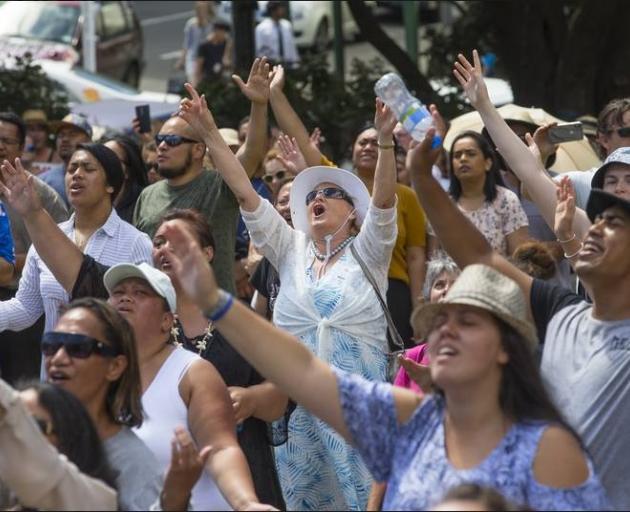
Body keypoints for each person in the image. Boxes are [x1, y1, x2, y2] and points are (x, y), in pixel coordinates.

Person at [154, 219, 611, 511]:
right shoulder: (408, 422)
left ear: (507, 348)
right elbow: (305, 372)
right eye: (440, 320)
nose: (446, 330)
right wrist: (214, 301)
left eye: (468, 321)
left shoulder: (548, 449)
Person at [409, 49, 630, 509]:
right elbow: (478, 256)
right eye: (606, 198)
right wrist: (427, 182)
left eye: (619, 220)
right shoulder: (564, 315)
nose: (600, 224)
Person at [178, 83, 398, 510]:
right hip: (297, 419)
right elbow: (244, 191)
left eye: (330, 193)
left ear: (353, 212)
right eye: (312, 194)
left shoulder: (369, 251)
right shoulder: (288, 248)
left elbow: (385, 203)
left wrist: (386, 142)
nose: (317, 197)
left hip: (361, 412)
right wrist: (207, 133)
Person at [267, 64, 427, 346]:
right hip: (338, 290)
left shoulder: (407, 196)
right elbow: (302, 141)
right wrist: (275, 95)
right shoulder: (335, 186)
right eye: (361, 143)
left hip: (394, 292)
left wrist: (418, 309)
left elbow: (415, 258)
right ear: (351, 151)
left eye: (375, 142)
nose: (367, 147)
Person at [102, 263, 268, 511]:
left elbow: (221, 449)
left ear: (167, 320)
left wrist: (246, 503)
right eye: (118, 292)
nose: (126, 297)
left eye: (141, 293)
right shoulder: (95, 374)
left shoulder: (193, 373)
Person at [47, 298, 214, 511]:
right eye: (51, 345)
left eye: (78, 348)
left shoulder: (133, 465)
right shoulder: (29, 432)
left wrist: (173, 501)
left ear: (115, 366)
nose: (58, 358)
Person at [134, 58, 272, 295]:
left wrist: (259, 105)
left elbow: (251, 153)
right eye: (160, 140)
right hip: (160, 316)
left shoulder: (219, 187)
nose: (163, 146)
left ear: (199, 150)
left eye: (173, 140)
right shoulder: (147, 195)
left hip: (213, 321)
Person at [0, 146, 152, 339]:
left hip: (109, 364)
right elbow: (25, 308)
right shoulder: (47, 239)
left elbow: (142, 317)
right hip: (55, 364)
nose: (77, 175)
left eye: (88, 169)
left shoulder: (136, 242)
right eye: (72, 169)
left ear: (111, 185)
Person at [367, 258, 460, 511]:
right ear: (428, 297)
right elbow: (390, 437)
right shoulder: (412, 358)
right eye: (440, 284)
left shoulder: (479, 358)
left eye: (455, 283)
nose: (446, 290)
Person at [0, 112, 68, 384]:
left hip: (24, 307)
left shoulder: (42, 195)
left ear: (21, 146)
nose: (0, 146)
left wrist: (15, 263)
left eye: (6, 140)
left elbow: (65, 246)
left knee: (21, 390)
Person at [0, 377, 117, 510]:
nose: (15, 435)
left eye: (35, 425)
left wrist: (8, 405)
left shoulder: (97, 501)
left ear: (69, 439)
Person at [428, 130, 529, 260]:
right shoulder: (442, 205)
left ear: (488, 163)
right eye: (457, 155)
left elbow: (519, 257)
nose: (463, 159)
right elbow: (433, 258)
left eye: (471, 154)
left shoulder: (506, 200)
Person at [43, 113, 93, 204]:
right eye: (61, 135)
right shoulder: (43, 181)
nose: (65, 139)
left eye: (72, 134)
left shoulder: (99, 179)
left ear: (89, 141)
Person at [103, 135, 149, 223]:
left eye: (111, 158)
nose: (103, 163)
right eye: (99, 159)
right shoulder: (84, 202)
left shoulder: (144, 206)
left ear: (128, 171)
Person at [178, 0, 215, 83]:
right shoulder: (191, 24)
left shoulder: (212, 25)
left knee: (204, 83)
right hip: (192, 57)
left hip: (207, 59)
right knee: (193, 82)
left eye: (204, 9)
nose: (202, 12)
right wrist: (182, 60)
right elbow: (187, 43)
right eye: (200, 9)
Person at [255, 1, 299, 67]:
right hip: (271, 64)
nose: (283, 10)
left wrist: (295, 59)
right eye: (280, 8)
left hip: (288, 63)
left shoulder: (287, 25)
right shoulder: (261, 28)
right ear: (273, 10)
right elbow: (259, 49)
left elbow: (291, 45)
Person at [21, 109, 63, 175]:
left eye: (40, 129)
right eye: (31, 129)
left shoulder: (57, 157)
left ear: (47, 133)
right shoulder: (16, 154)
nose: (36, 134)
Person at [195, 18, 233, 86]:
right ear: (216, 31)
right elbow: (199, 65)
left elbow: (227, 62)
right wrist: (198, 83)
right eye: (223, 32)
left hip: (221, 78)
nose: (224, 35)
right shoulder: (204, 45)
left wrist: (228, 46)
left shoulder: (226, 44)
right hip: (208, 78)